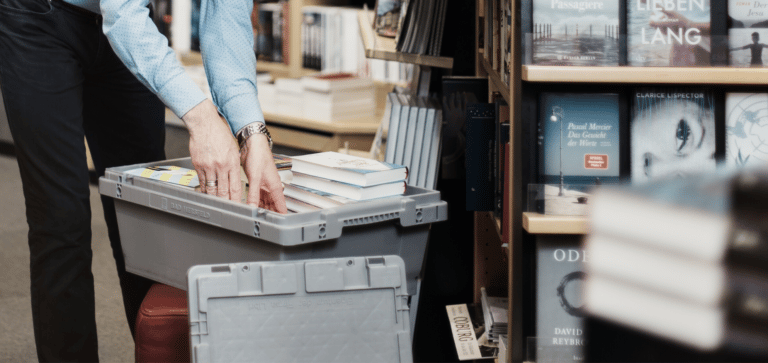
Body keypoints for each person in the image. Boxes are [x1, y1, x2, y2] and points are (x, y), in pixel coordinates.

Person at [0, 0, 287, 360]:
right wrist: (201, 118)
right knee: (62, 221)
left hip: (132, 23)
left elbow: (226, 23)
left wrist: (252, 132)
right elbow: (121, 12)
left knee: (143, 220)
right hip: (39, 20)